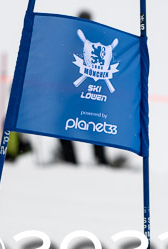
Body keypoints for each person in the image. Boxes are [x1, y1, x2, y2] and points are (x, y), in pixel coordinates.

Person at [57, 10, 110, 166]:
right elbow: (68, 68)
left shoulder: (97, 39)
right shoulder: (74, 40)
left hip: (90, 93)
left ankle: (100, 161)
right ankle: (72, 162)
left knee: (94, 128)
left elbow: (103, 67)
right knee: (64, 125)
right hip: (75, 94)